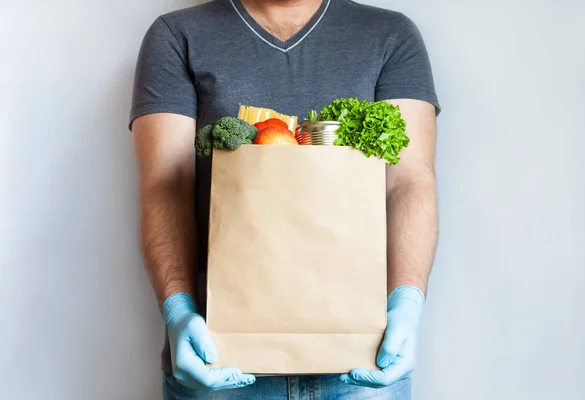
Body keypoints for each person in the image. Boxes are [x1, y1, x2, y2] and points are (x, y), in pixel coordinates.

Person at [129, 0, 440, 398]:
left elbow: (408, 182)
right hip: (219, 356)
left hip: (362, 356)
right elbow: (165, 188)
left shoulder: (391, 36)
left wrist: (407, 301)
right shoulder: (177, 36)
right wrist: (178, 309)